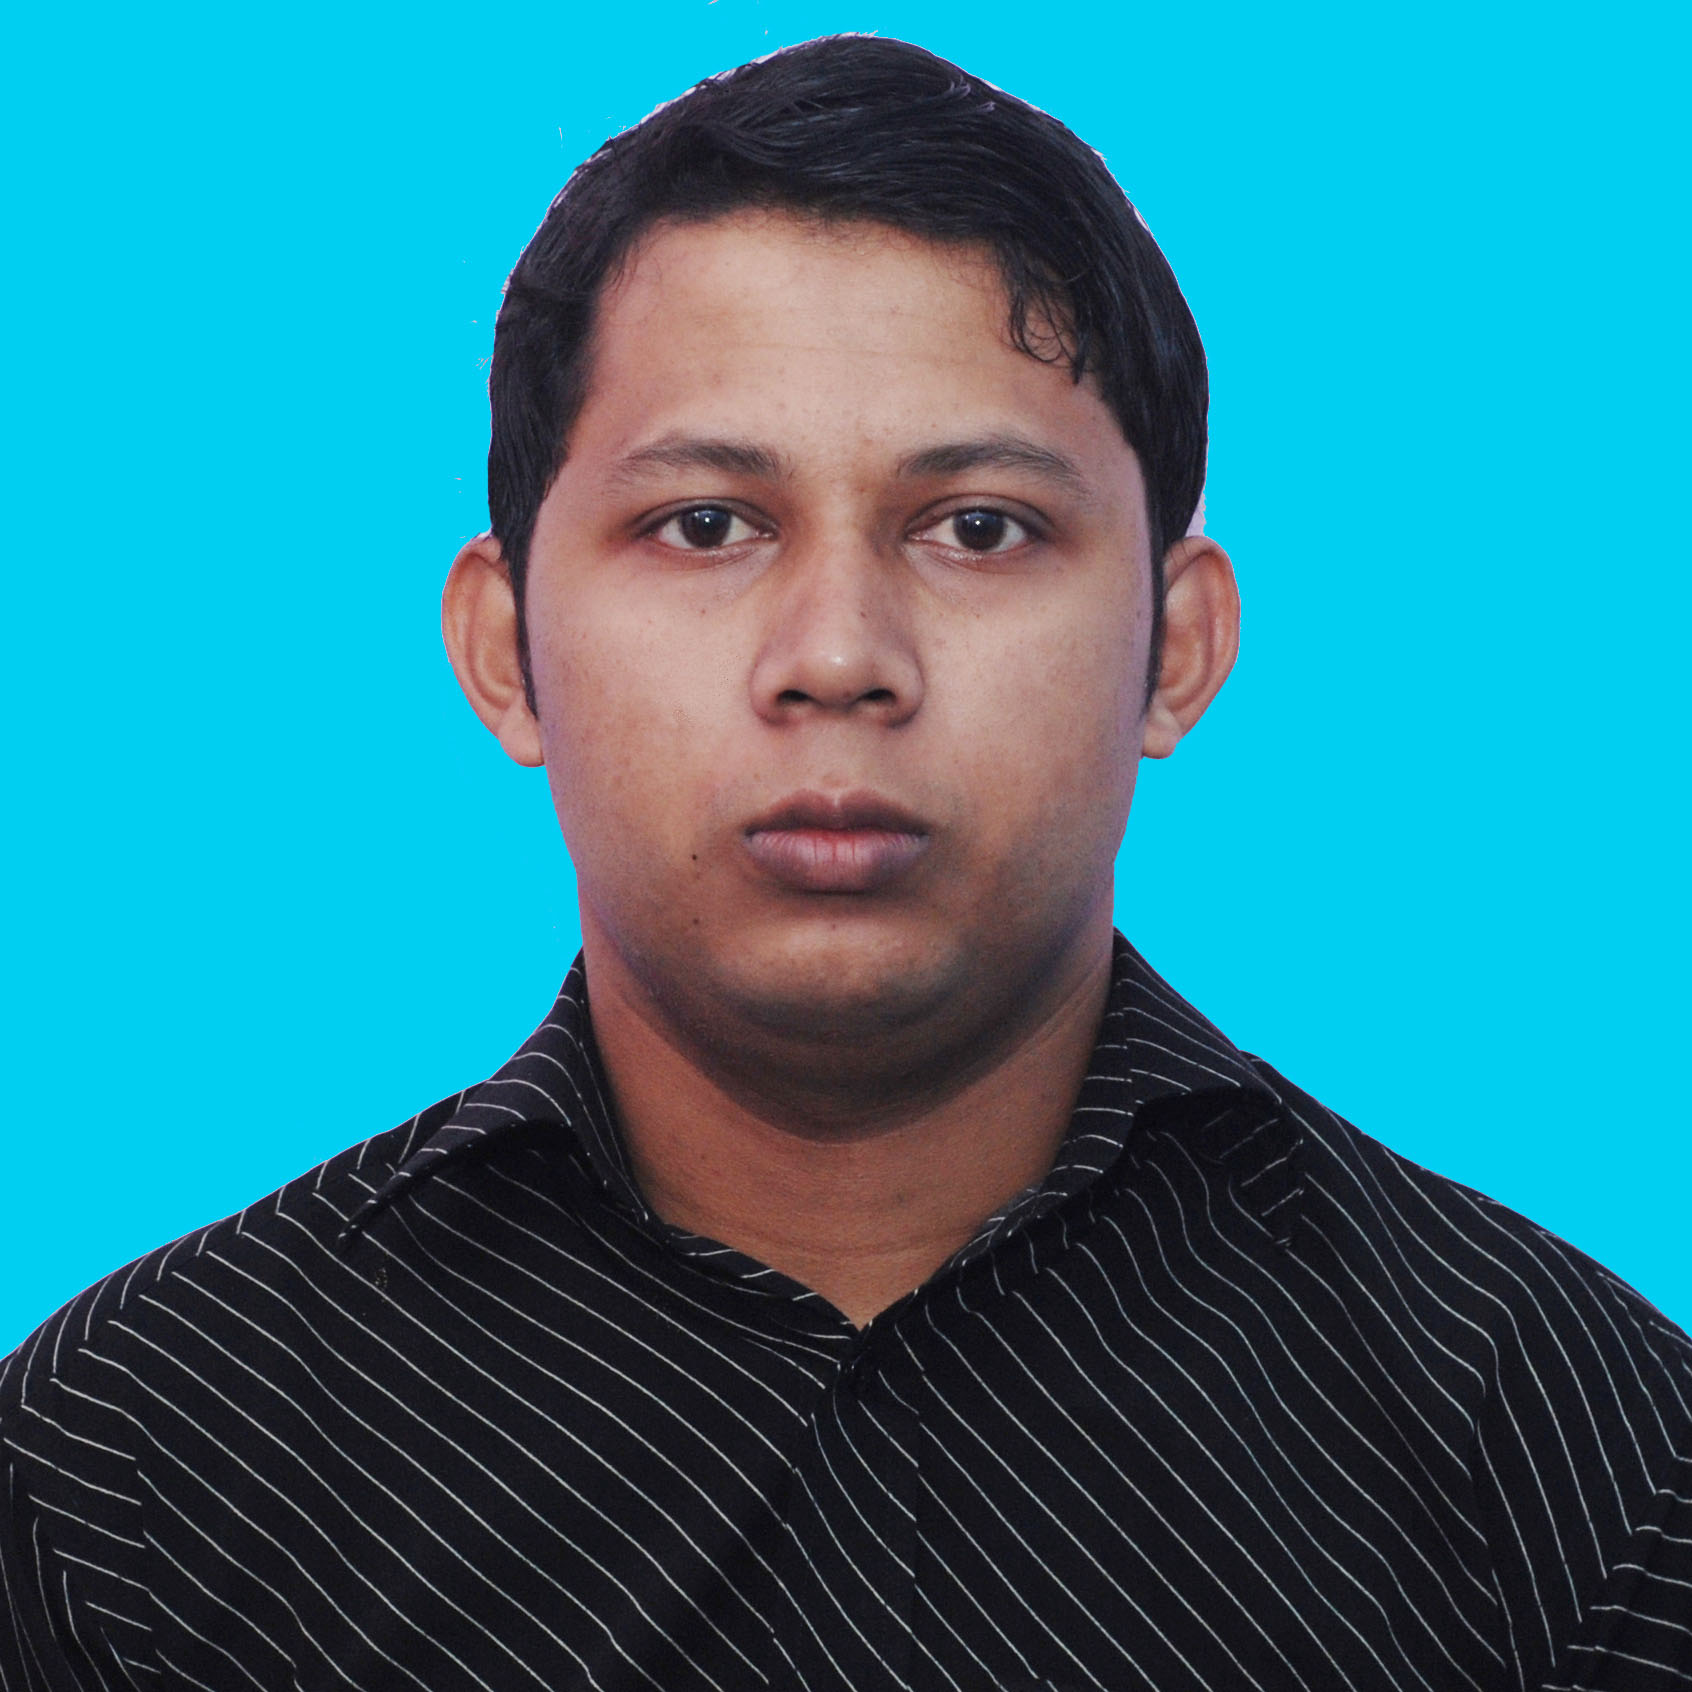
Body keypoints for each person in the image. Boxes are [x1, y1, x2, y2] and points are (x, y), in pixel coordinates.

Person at [2, 34, 1687, 1692]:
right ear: (506, 648)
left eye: (978, 527)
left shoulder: (1578, 1463)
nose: (836, 657)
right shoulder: (133, 1468)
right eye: (707, 525)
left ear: (1174, 649)